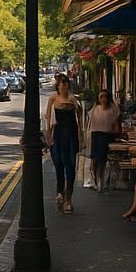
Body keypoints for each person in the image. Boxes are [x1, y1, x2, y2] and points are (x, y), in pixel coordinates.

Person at [45, 75, 82, 213]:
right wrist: (48, 137)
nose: (64, 85)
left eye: (66, 82)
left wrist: (81, 137)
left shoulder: (73, 99)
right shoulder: (52, 99)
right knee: (59, 165)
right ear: (58, 85)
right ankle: (60, 193)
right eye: (62, 82)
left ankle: (69, 199)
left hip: (71, 136)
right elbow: (48, 119)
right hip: (58, 136)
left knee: (70, 167)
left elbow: (80, 119)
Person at [87, 89, 122, 192]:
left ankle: (100, 181)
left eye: (105, 96)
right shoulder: (95, 109)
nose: (103, 99)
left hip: (107, 136)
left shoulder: (112, 110)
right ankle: (95, 180)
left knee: (102, 160)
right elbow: (89, 123)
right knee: (94, 159)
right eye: (101, 97)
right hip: (95, 135)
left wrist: (116, 133)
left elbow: (117, 126)